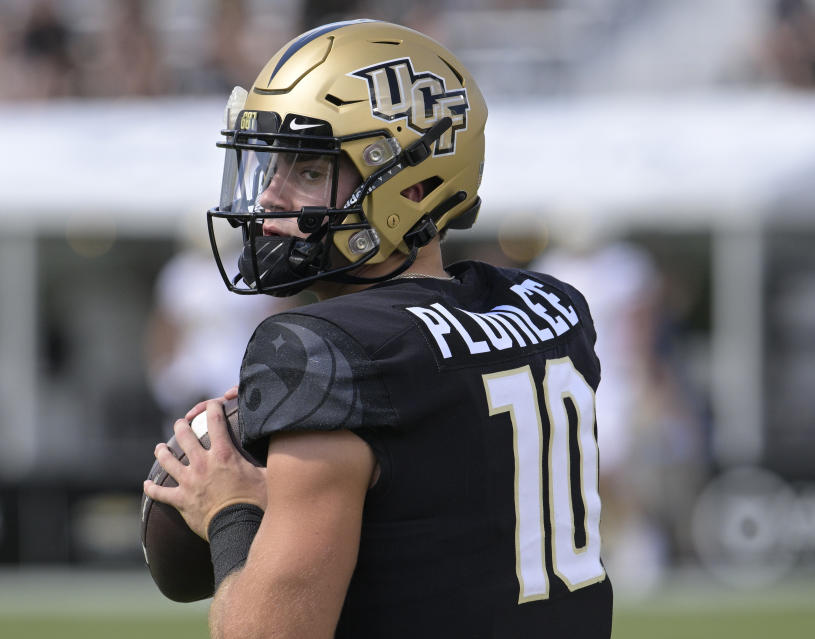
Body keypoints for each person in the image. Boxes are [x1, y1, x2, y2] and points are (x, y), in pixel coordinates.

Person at [143, 19, 613, 638]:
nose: (272, 197)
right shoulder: (551, 306)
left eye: (309, 171)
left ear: (412, 186)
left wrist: (230, 511)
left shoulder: (324, 350)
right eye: (272, 166)